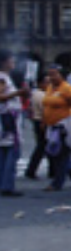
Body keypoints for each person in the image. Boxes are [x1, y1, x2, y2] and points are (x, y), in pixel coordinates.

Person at [42, 63, 71, 191]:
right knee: (57, 154)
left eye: (54, 74)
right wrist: (44, 121)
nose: (52, 77)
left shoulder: (67, 89)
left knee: (61, 154)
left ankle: (57, 183)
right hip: (52, 125)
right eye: (50, 75)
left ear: (61, 75)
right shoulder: (50, 88)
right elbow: (46, 105)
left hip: (63, 126)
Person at [0, 49, 24, 197]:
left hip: (6, 118)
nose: (13, 63)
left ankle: (4, 183)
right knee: (13, 151)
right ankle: (8, 184)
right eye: (11, 60)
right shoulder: (2, 78)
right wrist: (19, 93)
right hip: (8, 118)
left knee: (3, 153)